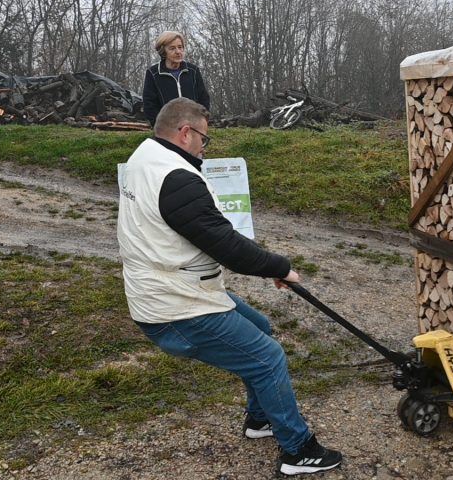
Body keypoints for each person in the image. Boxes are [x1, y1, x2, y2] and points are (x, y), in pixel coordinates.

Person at [117, 98, 342, 475]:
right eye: (203, 139)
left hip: (173, 288)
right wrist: (280, 267)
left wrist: (268, 266)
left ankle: (259, 420)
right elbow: (227, 246)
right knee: (268, 357)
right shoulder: (177, 179)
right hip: (175, 306)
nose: (205, 147)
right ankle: (298, 451)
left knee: (260, 329)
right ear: (185, 133)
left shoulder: (145, 156)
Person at [141, 31, 211, 127]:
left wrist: (201, 121)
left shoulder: (193, 71)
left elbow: (204, 99)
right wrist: (160, 126)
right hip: (166, 128)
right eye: (172, 48)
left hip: (193, 126)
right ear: (163, 51)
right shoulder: (153, 74)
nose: (178, 52)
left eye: (180, 47)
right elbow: (149, 104)